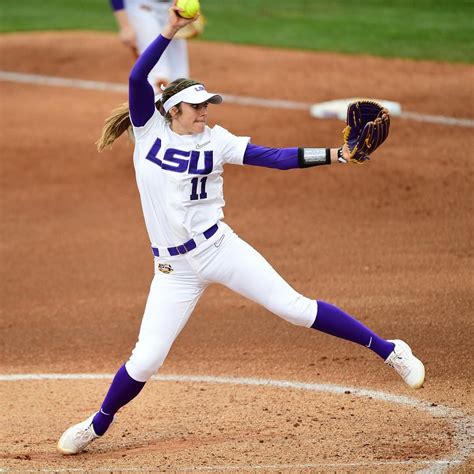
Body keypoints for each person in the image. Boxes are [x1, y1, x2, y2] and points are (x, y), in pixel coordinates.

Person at [57, 4, 425, 455]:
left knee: (293, 307)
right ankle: (96, 425)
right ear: (174, 111)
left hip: (219, 250)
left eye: (208, 105)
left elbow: (273, 156)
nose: (206, 113)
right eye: (197, 107)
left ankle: (390, 350)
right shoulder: (149, 131)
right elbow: (137, 79)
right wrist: (170, 30)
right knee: (147, 359)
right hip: (174, 271)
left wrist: (338, 155)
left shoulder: (218, 140)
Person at [109, 0, 189, 90]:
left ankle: (177, 102)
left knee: (180, 76)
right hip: (142, 7)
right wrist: (125, 26)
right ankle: (152, 102)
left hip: (174, 8)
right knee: (157, 75)